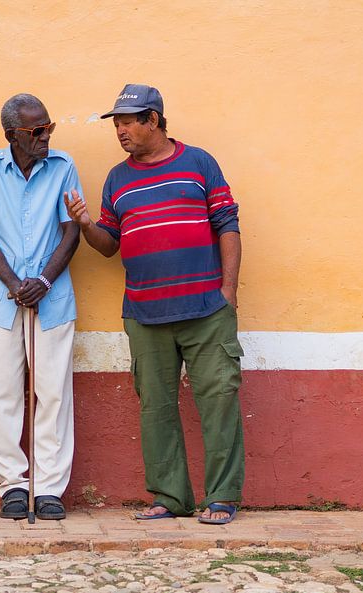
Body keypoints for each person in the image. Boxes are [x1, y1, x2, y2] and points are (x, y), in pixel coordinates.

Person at [65, 84, 245, 525]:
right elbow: (109, 244)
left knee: (219, 402)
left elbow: (227, 223)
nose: (120, 131)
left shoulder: (199, 163)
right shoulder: (117, 178)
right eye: (117, 125)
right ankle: (170, 497)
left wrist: (229, 290)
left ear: (153, 120)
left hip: (206, 311)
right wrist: (85, 224)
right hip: (145, 314)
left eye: (128, 122)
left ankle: (222, 497)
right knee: (155, 409)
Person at [0, 93, 81, 520]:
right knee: (2, 393)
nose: (46, 136)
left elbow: (72, 231)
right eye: (37, 131)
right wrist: (15, 285)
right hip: (0, 298)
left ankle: (49, 488)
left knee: (54, 392)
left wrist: (44, 281)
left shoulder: (63, 166)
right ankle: (12, 485)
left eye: (49, 128)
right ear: (13, 135)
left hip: (52, 295)